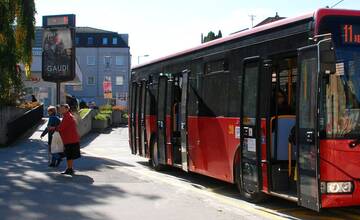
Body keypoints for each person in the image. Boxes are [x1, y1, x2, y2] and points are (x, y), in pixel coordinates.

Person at [51, 104, 80, 175]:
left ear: (67, 109)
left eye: (62, 109)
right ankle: (69, 168)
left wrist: (53, 128)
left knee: (69, 155)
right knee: (69, 155)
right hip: (71, 138)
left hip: (70, 139)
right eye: (60, 109)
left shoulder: (67, 117)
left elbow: (61, 127)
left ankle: (69, 169)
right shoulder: (68, 116)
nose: (60, 110)